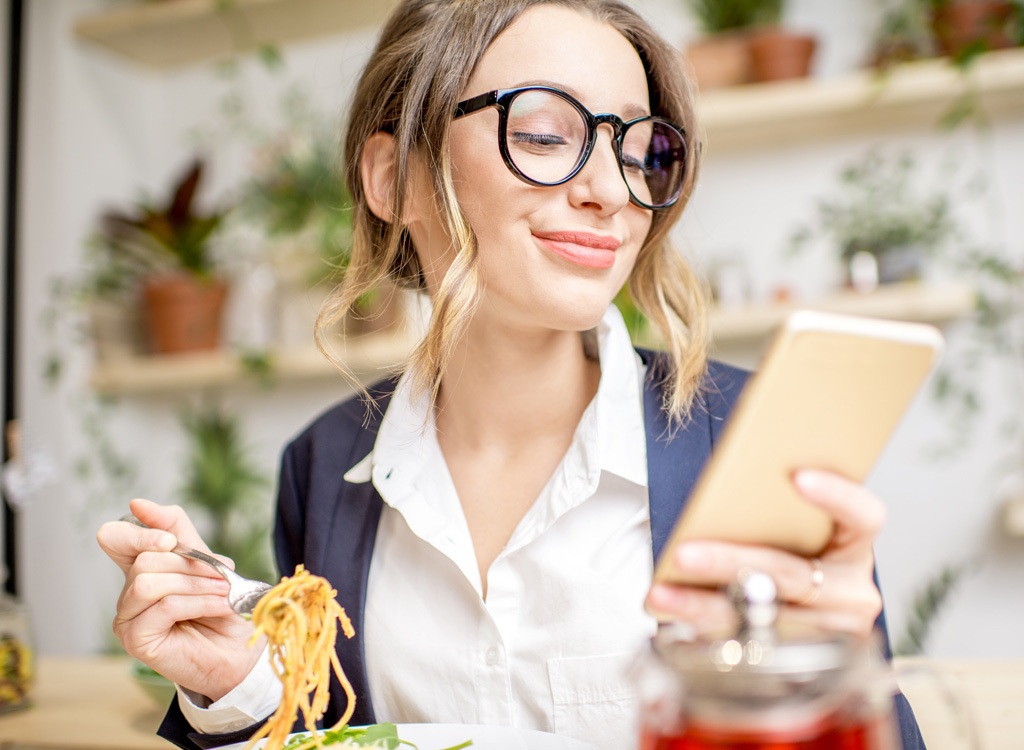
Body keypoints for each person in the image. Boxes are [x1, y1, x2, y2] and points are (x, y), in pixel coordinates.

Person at [96, 1, 926, 749]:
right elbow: (331, 736)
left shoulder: (750, 438)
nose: (611, 190)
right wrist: (241, 688)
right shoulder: (321, 469)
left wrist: (844, 692)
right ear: (395, 179)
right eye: (541, 134)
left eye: (641, 150)